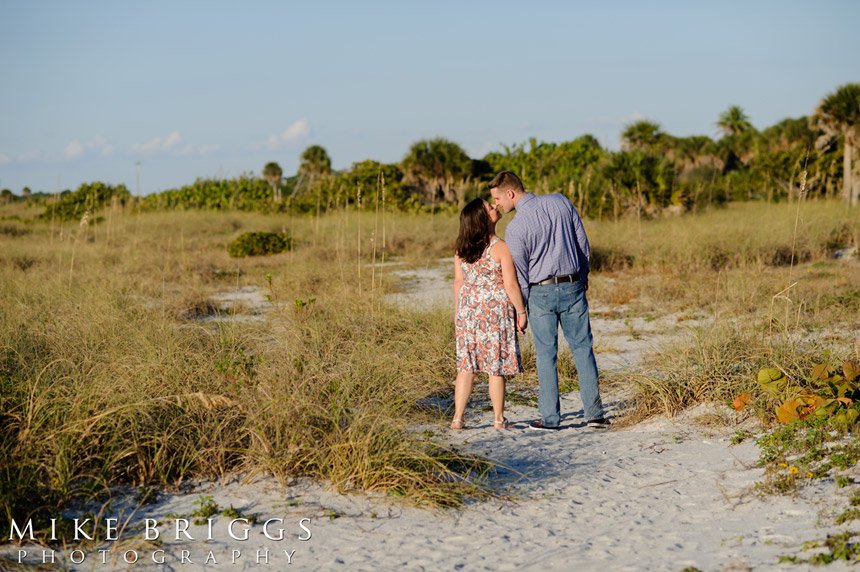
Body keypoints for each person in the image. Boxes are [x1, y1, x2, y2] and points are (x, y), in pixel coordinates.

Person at [488, 171, 609, 431]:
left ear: (510, 193)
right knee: (583, 349)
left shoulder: (517, 228)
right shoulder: (561, 201)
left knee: (546, 356)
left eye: (497, 198)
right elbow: (581, 242)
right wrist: (583, 274)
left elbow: (520, 274)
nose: (497, 204)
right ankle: (595, 415)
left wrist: (521, 311)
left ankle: (551, 419)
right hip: (573, 283)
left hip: (540, 292)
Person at [451, 198, 528, 430]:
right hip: (495, 313)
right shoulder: (500, 247)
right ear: (482, 218)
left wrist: (458, 315)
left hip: (468, 311)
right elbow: (511, 285)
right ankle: (498, 419)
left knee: (466, 368)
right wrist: (522, 311)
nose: (495, 207)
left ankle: (457, 418)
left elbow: (458, 283)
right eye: (489, 207)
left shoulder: (461, 249)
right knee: (496, 368)